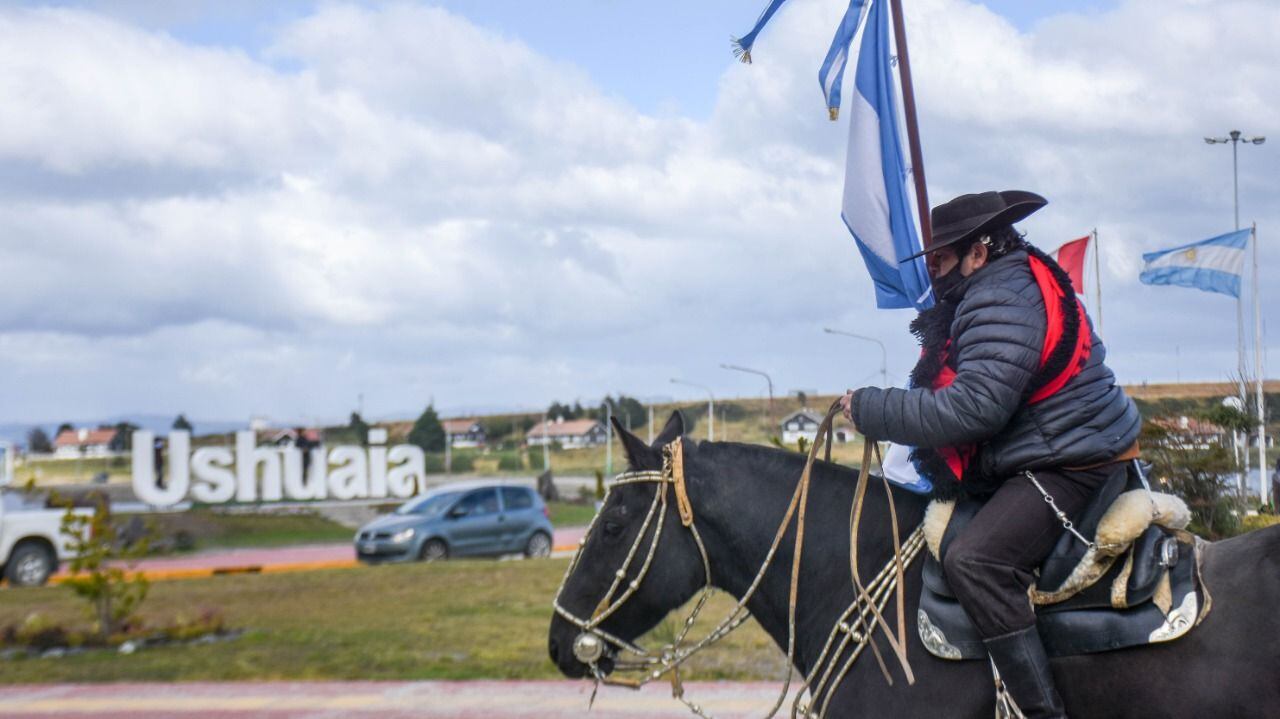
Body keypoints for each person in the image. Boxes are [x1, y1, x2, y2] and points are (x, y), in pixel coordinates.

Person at [840, 191, 1140, 718]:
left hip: (1072, 458)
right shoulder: (1004, 282)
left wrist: (872, 408)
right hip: (1055, 443)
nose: (933, 274)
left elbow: (974, 409)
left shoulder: (1002, 294)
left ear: (978, 252)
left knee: (975, 561)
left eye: (941, 260)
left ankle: (1040, 712)